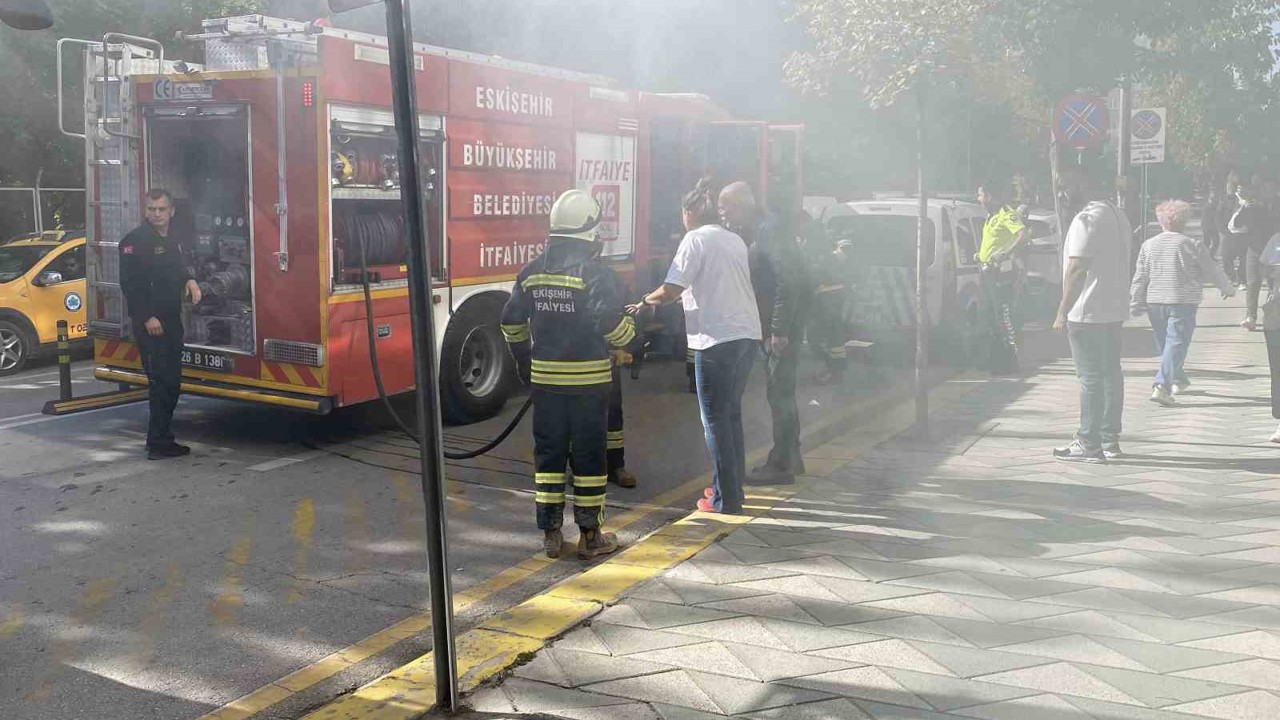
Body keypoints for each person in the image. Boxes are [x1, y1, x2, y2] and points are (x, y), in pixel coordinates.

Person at [501, 189, 632, 560]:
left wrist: (523, 361)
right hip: (589, 384)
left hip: (545, 384)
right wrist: (631, 336)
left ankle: (551, 534)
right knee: (590, 457)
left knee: (549, 455)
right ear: (590, 232)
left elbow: (511, 321)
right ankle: (591, 536)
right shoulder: (596, 275)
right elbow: (608, 323)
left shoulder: (531, 272)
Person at [629, 178, 761, 514]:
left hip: (715, 340)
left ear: (688, 212)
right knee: (730, 416)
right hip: (746, 335)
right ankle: (730, 489)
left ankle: (725, 499)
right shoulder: (734, 240)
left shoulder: (695, 239)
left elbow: (672, 289)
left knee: (714, 420)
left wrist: (644, 302)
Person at [719, 181, 810, 485]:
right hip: (775, 324)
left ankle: (782, 464)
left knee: (779, 393)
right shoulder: (762, 228)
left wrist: (779, 330)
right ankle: (790, 457)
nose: (724, 214)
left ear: (743, 204)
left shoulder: (768, 230)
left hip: (780, 328)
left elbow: (789, 280)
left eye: (727, 207)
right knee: (780, 392)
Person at [1052, 172, 1132, 462]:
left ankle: (1089, 442)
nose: (1062, 194)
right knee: (1111, 374)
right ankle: (1110, 441)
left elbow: (1077, 268)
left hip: (1086, 312)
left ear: (1083, 184)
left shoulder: (1086, 218)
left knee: (1090, 378)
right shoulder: (1118, 215)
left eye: (1065, 187)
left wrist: (1062, 310)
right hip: (1113, 309)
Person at [119, 189, 202, 460]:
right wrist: (147, 317)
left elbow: (177, 268)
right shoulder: (135, 241)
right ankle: (158, 443)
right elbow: (130, 285)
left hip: (170, 319)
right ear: (146, 210)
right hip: (152, 323)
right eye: (152, 209)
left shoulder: (172, 239)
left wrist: (189, 280)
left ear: (171, 211)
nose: (157, 214)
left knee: (172, 382)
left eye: (162, 209)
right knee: (161, 383)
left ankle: (161, 437)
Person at [1129, 199, 1235, 407]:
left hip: (1155, 302)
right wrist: (1226, 287)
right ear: (1185, 221)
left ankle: (1178, 378)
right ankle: (1161, 385)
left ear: (1160, 221)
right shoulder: (1191, 244)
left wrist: (1135, 299)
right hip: (1182, 301)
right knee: (1177, 343)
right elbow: (1211, 269)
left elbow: (1140, 275)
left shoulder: (1148, 245)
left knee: (1166, 344)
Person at [977, 183, 1028, 376]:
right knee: (990, 316)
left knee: (1004, 317)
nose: (978, 199)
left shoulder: (1007, 213)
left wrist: (1004, 253)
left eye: (980, 195)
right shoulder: (991, 216)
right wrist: (981, 255)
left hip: (1000, 273)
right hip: (987, 271)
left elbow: (1022, 236)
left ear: (989, 196)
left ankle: (1011, 363)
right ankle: (997, 361)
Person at [810, 237, 854, 384]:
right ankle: (836, 372)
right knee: (835, 340)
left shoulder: (826, 259)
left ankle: (833, 371)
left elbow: (816, 281)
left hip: (826, 304)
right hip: (832, 303)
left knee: (823, 339)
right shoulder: (838, 259)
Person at [1235, 182, 1272, 330]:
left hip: (1274, 249)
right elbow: (1237, 223)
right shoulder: (1252, 207)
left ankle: (1273, 316)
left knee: (1274, 284)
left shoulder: (1274, 206)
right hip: (1254, 249)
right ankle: (1250, 317)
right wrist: (1244, 207)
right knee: (1252, 283)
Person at [1220, 174, 1248, 290]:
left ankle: (1242, 280)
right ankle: (1231, 278)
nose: (1241, 189)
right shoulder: (1229, 199)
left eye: (1243, 187)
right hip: (1229, 233)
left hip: (1244, 234)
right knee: (1226, 256)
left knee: (1243, 259)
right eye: (1239, 187)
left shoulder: (1249, 200)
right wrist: (1222, 229)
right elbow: (1219, 214)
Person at [1203, 186, 1221, 260]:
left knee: (1216, 242)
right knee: (1207, 243)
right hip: (1208, 226)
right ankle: (1205, 256)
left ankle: (1210, 255)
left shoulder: (1215, 203)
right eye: (1213, 194)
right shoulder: (1209, 204)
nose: (1214, 195)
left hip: (1213, 226)